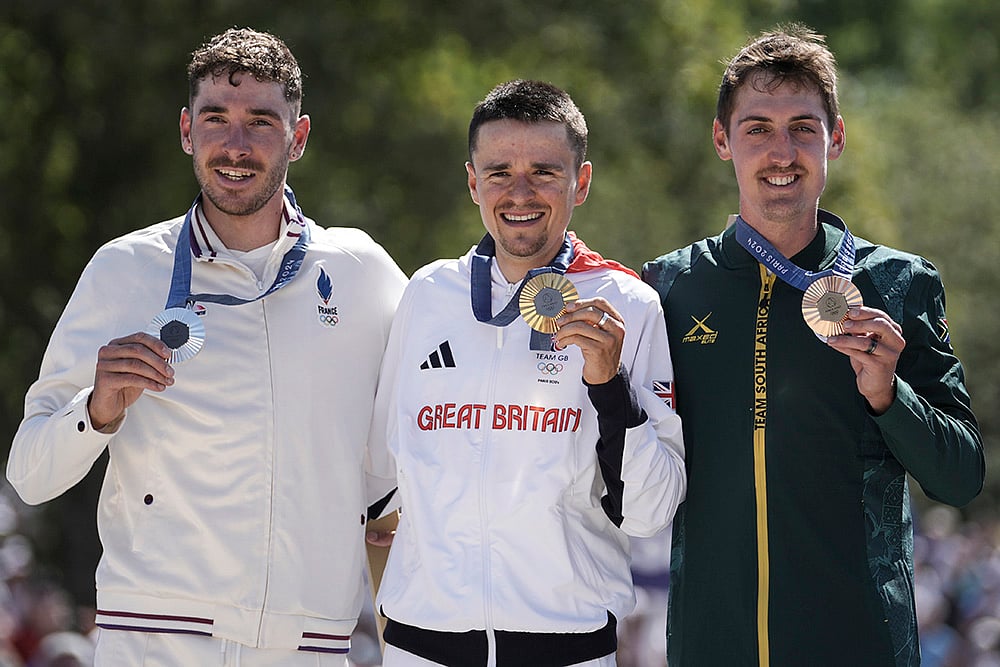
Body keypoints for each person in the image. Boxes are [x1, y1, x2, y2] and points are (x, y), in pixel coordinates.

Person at [7, 28, 406, 666]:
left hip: (311, 645)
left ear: (298, 137)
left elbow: (428, 428)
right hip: (152, 639)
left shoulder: (362, 271)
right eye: (216, 119)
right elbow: (29, 475)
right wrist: (98, 408)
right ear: (187, 131)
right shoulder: (125, 267)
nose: (236, 145)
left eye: (261, 122)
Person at [642, 24, 985, 667]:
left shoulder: (898, 283)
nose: (782, 152)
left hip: (860, 646)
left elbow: (962, 478)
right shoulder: (668, 287)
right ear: (723, 140)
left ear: (837, 137)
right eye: (758, 129)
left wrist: (889, 395)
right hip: (711, 646)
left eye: (804, 127)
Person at [366, 79, 686, 667]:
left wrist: (609, 387)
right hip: (419, 646)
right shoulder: (426, 294)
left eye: (544, 171)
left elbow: (651, 510)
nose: (519, 193)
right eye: (497, 172)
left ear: (580, 183)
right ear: (471, 182)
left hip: (567, 648)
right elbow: (379, 477)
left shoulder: (628, 306)